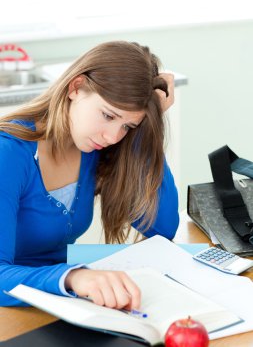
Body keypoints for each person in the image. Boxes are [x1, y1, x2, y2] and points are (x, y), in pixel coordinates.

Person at [0, 41, 179, 309]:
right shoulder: (9, 154)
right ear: (76, 87)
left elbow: (161, 228)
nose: (113, 137)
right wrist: (73, 277)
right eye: (108, 115)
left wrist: (145, 132)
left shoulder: (94, 148)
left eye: (127, 126)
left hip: (56, 304)